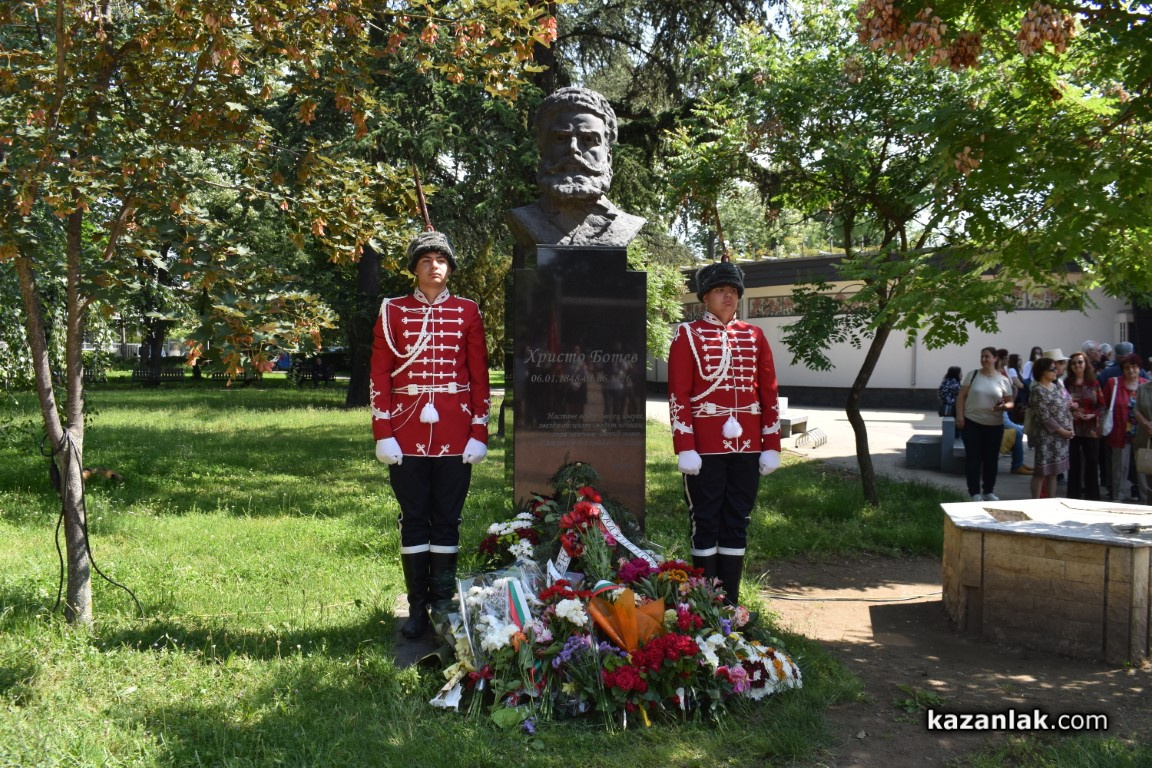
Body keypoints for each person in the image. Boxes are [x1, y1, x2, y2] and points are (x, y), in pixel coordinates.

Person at [371, 231, 491, 639]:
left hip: (456, 432)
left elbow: (479, 376)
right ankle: (416, 607)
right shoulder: (392, 311)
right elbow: (380, 374)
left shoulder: (468, 311)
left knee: (447, 518)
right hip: (405, 431)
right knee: (413, 518)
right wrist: (383, 432)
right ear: (414, 268)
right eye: (425, 260)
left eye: (441, 259)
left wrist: (479, 431)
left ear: (450, 267)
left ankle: (441, 602)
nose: (434, 266)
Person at [668, 259, 781, 606]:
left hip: (747, 447)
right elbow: (679, 394)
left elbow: (768, 392)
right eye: (720, 290)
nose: (728, 296)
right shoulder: (688, 335)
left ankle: (730, 603)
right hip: (705, 448)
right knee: (705, 520)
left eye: (733, 290)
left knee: (737, 519)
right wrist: (685, 445)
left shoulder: (754, 335)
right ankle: (705, 603)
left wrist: (771, 444)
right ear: (705, 297)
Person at [506, 87, 646, 248]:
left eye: (588, 139)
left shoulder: (625, 224)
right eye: (561, 138)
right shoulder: (525, 218)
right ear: (543, 150)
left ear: (608, 157)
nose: (573, 149)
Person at [955, 347, 1014, 501]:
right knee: (973, 458)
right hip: (972, 423)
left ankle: (988, 491)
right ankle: (974, 493)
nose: (983, 360)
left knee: (991, 459)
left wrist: (1003, 407)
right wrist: (960, 417)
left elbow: (1010, 403)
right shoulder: (972, 375)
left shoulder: (1003, 380)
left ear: (995, 358)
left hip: (994, 425)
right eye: (982, 356)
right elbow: (961, 397)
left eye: (987, 356)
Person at [1102, 354, 1150, 503]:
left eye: (1134, 367)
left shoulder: (1146, 385)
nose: (1131, 370)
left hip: (1143, 433)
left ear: (1140, 368)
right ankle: (1118, 497)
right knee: (1119, 467)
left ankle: (1146, 499)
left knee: (1144, 466)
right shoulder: (1113, 383)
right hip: (1120, 432)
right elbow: (1104, 405)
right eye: (1127, 367)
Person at [1029, 357, 1073, 499]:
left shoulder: (1056, 387)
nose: (1056, 371)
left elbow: (1066, 407)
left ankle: (1051, 500)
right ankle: (1035, 502)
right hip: (1045, 438)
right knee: (1041, 471)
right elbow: (1045, 417)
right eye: (1052, 369)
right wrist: (1063, 431)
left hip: (1060, 438)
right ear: (1042, 371)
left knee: (1053, 472)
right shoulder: (1037, 390)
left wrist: (1070, 427)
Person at [1063, 351, 1104, 500]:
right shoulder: (1067, 383)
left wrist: (1093, 414)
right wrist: (1070, 411)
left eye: (1080, 362)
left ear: (1086, 364)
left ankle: (1092, 497)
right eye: (1074, 363)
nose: (1077, 365)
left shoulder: (1094, 383)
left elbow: (1102, 406)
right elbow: (1062, 404)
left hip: (1091, 429)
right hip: (1072, 428)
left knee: (1092, 462)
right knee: (1073, 463)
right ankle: (1073, 495)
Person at [1133, 378, 1152, 505]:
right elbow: (1136, 410)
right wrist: (1146, 424)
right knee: (1149, 475)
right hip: (1146, 436)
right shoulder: (1143, 388)